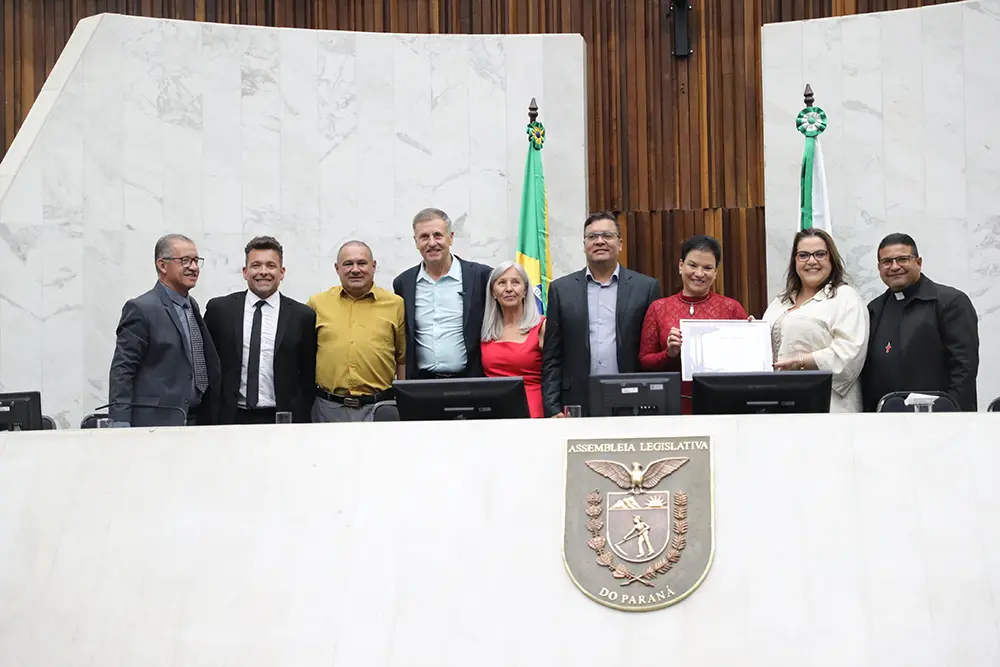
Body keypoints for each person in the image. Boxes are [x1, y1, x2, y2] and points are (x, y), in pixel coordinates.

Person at [542, 212, 660, 417]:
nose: (600, 241)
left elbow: (651, 350)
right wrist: (552, 407)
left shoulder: (645, 288)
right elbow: (553, 355)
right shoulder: (561, 290)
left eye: (607, 235)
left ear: (620, 243)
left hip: (632, 398)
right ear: (584, 244)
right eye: (592, 237)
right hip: (576, 402)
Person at [108, 233, 221, 427]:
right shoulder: (141, 308)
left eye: (196, 261)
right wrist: (120, 422)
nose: (193, 268)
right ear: (162, 265)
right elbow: (123, 370)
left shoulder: (191, 305)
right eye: (185, 261)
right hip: (155, 424)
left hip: (195, 421)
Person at [203, 236, 317, 425]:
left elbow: (308, 374)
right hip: (229, 418)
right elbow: (208, 366)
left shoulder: (302, 316)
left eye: (271, 266)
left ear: (282, 272)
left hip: (283, 419)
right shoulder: (220, 310)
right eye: (256, 265)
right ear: (245, 272)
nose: (263, 272)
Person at [860, 233, 979, 412]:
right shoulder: (874, 309)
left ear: (919, 262)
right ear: (879, 267)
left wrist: (953, 414)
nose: (894, 267)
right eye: (887, 262)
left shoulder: (950, 302)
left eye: (902, 259)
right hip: (885, 422)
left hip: (939, 418)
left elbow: (964, 368)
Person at [638, 234, 748, 413]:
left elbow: (747, 360)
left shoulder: (731, 308)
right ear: (681, 266)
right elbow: (645, 361)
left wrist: (750, 335)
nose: (699, 273)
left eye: (707, 268)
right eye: (692, 265)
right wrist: (669, 354)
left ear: (716, 272)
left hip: (722, 404)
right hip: (673, 405)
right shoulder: (658, 308)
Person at [763, 228, 869, 413]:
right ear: (794, 261)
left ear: (831, 259)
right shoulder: (780, 301)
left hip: (828, 405)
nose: (812, 261)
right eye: (803, 255)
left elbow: (849, 354)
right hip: (780, 401)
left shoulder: (845, 298)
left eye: (820, 254)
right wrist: (752, 331)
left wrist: (801, 362)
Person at [308, 241, 405, 423]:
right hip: (328, 409)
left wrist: (402, 403)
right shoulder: (317, 304)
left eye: (362, 263)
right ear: (337, 268)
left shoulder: (395, 304)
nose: (355, 269)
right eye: (347, 264)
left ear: (373, 266)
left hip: (379, 409)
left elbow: (402, 359)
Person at [393, 208, 492, 380]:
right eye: (424, 237)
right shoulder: (404, 283)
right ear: (415, 241)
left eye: (438, 235)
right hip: (422, 384)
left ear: (451, 237)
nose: (432, 243)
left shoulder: (481, 277)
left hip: (471, 382)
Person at [480, 262, 546, 418]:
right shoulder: (484, 331)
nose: (509, 288)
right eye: (502, 283)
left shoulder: (542, 327)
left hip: (533, 412)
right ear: (493, 292)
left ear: (525, 290)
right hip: (493, 414)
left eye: (515, 282)